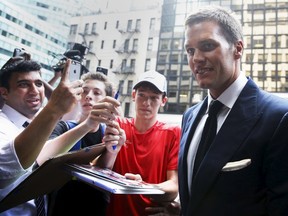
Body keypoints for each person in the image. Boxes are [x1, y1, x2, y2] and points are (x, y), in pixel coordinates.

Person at [178, 5, 288, 216]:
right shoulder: (189, 116)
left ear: (237, 49)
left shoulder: (280, 118)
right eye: (190, 50)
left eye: (207, 45)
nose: (196, 59)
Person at [0, 51, 83, 215]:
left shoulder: (38, 122)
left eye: (39, 84)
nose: (34, 91)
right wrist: (54, 108)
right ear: (4, 93)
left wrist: (88, 125)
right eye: (23, 84)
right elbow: (6, 170)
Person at [97, 70, 181, 216]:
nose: (146, 103)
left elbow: (173, 186)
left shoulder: (172, 133)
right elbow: (100, 169)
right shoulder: (118, 126)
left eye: (154, 97)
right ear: (134, 95)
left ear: (163, 101)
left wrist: (142, 187)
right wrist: (112, 150)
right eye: (142, 95)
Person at [39, 71, 122, 216]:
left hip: (96, 206)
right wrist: (87, 125)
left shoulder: (109, 133)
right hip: (61, 206)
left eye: (96, 93)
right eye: (84, 91)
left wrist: (113, 150)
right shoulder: (63, 127)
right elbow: (41, 158)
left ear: (108, 101)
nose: (88, 96)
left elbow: (105, 170)